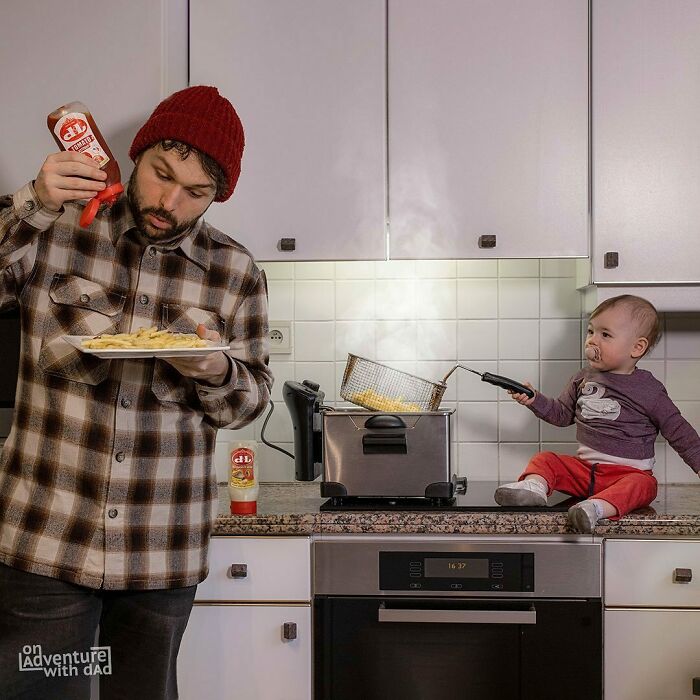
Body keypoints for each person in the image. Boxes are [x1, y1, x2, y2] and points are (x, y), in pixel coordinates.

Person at [0, 86, 272, 699]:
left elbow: (251, 400)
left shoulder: (236, 273)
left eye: (195, 193)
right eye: (160, 175)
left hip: (161, 549)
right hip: (46, 538)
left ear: (217, 196)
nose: (168, 202)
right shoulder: (55, 229)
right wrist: (33, 203)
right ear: (137, 153)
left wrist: (212, 368)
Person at [494, 294, 700, 533]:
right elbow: (561, 415)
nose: (592, 341)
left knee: (644, 485)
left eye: (605, 335)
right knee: (546, 458)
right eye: (591, 331)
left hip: (627, 475)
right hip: (585, 472)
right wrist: (534, 399)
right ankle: (533, 488)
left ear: (637, 347)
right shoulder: (582, 378)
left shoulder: (649, 390)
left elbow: (680, 433)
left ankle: (595, 508)